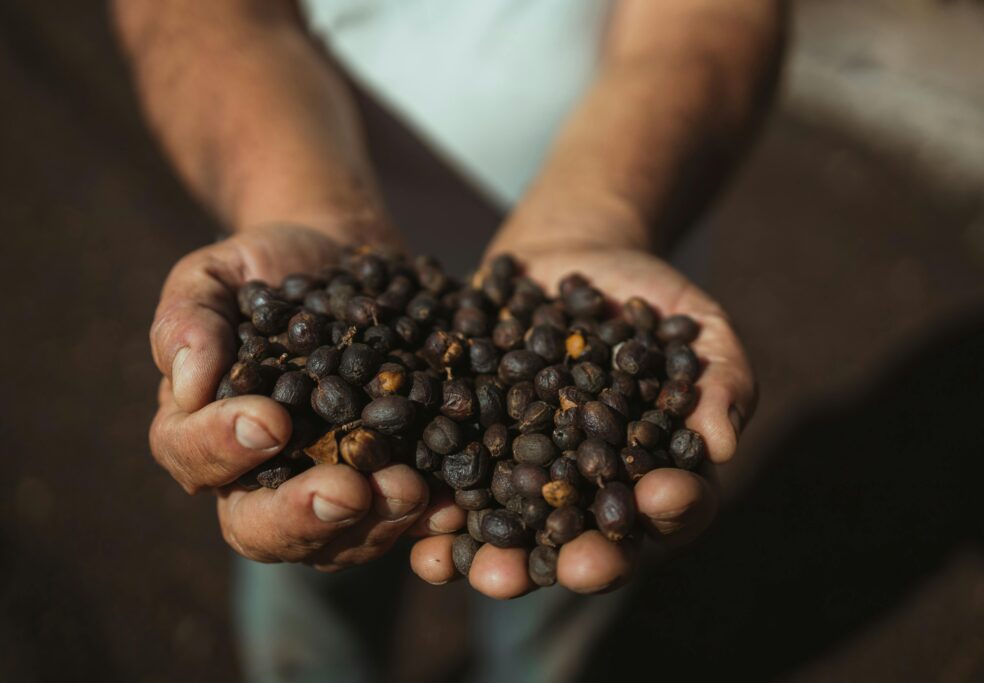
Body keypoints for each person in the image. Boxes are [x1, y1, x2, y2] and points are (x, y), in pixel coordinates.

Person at [113, 0, 780, 680]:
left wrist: (603, 213)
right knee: (317, 535)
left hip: (618, 232)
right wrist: (294, 200)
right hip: (330, 239)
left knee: (567, 590)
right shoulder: (343, 371)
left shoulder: (557, 390)